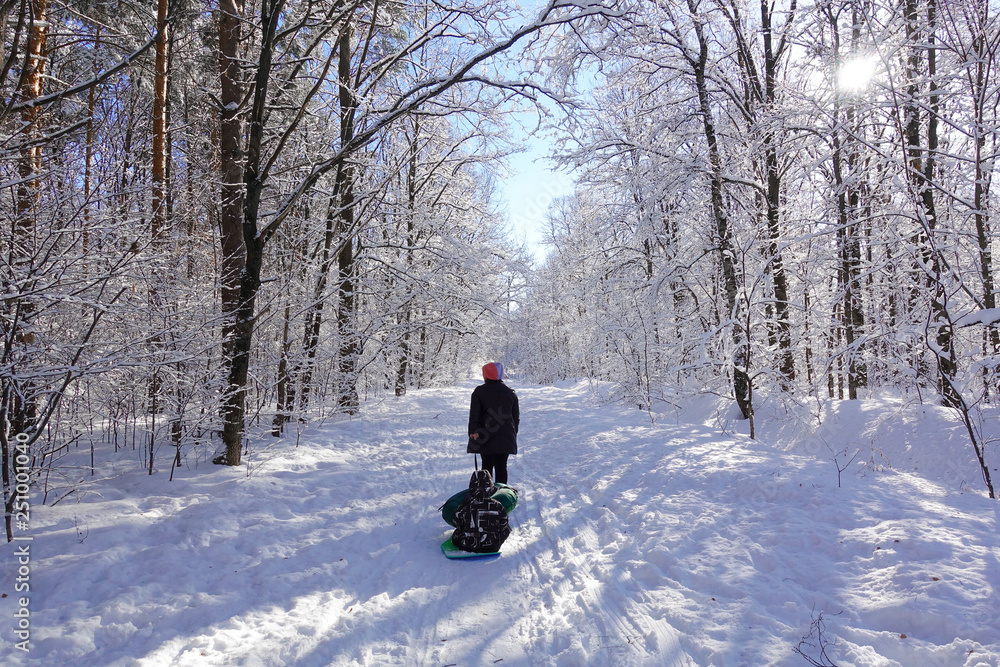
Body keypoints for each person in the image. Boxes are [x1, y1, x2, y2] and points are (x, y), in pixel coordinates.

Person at [467, 361, 519, 484]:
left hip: (485, 434)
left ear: (486, 375)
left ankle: (485, 495)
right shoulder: (510, 393)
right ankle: (502, 495)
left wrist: (473, 431)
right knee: (502, 466)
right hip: (506, 436)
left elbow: (475, 413)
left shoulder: (479, 391)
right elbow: (515, 417)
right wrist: (513, 433)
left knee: (486, 466)